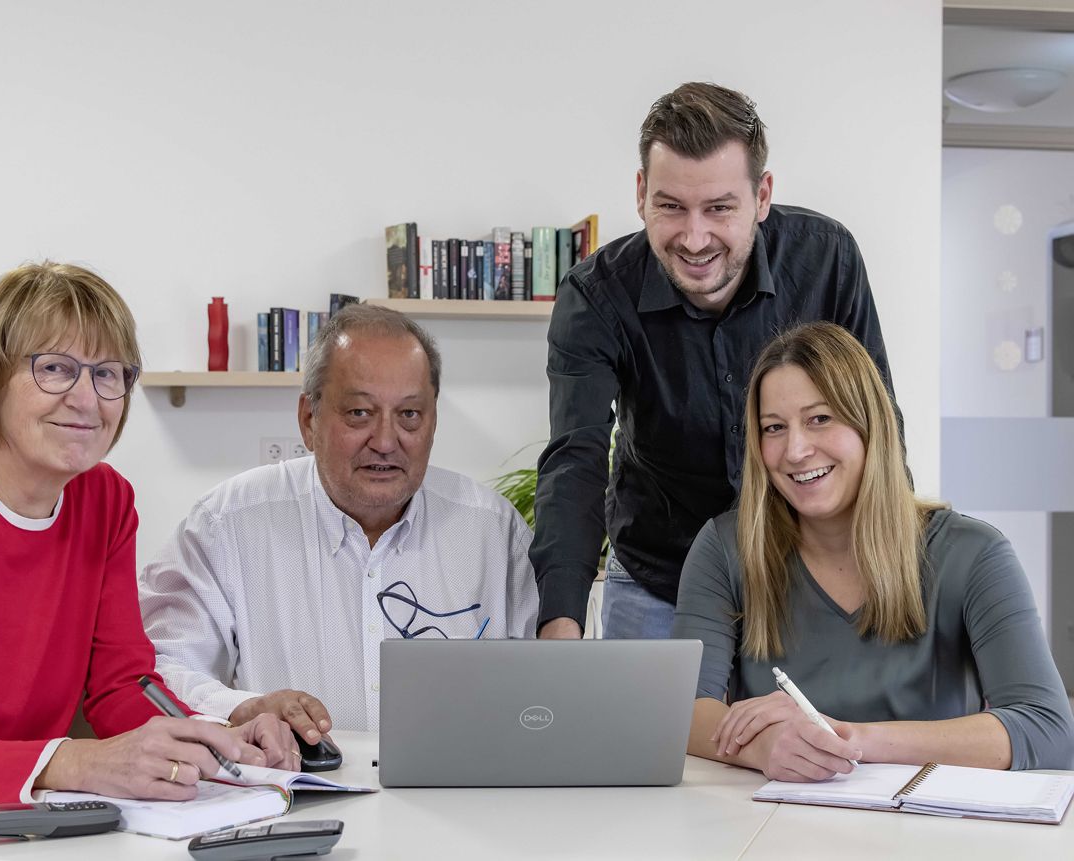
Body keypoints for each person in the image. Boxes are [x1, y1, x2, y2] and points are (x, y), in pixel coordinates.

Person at [0, 263, 297, 826]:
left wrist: (214, 736)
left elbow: (120, 686)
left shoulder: (106, 501)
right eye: (54, 368)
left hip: (27, 821)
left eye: (107, 374)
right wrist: (79, 761)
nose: (86, 399)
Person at [532, 82, 898, 640]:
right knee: (651, 732)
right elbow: (575, 459)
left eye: (720, 208)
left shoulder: (827, 258)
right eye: (671, 207)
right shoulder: (596, 295)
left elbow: (877, 422)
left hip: (807, 572)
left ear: (763, 195)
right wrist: (560, 624)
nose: (695, 238)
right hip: (659, 578)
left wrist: (891, 571)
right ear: (640, 193)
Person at [671, 321, 1074, 779]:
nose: (796, 450)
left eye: (820, 418)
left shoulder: (975, 553)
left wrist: (853, 740)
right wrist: (762, 747)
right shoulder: (725, 548)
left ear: (870, 425)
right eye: (774, 428)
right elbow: (683, 710)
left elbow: (1047, 728)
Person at [139, 304, 539, 735]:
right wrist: (241, 708)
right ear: (309, 420)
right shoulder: (228, 524)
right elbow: (160, 663)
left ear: (433, 422)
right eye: (359, 414)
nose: (385, 442)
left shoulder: (492, 532)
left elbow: (542, 687)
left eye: (409, 415)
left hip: (454, 795)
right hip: (296, 793)